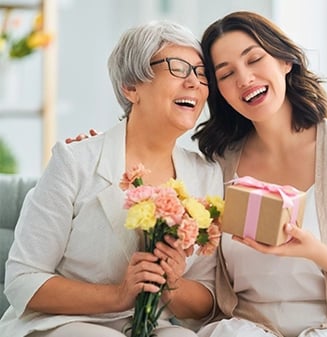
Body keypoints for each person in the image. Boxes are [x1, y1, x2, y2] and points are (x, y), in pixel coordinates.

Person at [0, 20, 224, 337]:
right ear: (131, 87)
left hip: (148, 327)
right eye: (178, 68)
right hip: (59, 322)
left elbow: (207, 298)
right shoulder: (74, 161)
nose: (195, 83)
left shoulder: (207, 175)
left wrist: (174, 285)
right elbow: (24, 279)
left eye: (202, 73)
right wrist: (119, 295)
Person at [190, 10, 327, 337]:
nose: (244, 79)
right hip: (244, 326)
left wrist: (314, 251)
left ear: (285, 61)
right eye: (226, 73)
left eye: (254, 59)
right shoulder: (216, 163)